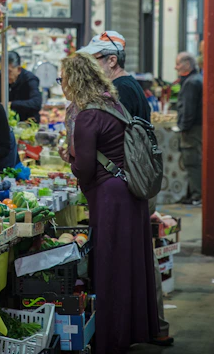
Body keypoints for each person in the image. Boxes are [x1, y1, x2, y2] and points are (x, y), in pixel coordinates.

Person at [58, 52, 159, 354]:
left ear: (74, 80)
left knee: (112, 267)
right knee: (130, 265)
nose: (61, 84)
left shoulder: (88, 115)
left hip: (111, 197)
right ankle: (131, 329)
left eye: (62, 78)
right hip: (129, 193)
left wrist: (70, 159)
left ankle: (112, 338)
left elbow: (85, 167)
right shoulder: (110, 104)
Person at [82, 31, 172, 347]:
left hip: (127, 183)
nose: (92, 66)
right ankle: (150, 325)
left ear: (111, 60)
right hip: (134, 181)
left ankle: (143, 327)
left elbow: (112, 141)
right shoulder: (130, 86)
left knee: (130, 260)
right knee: (139, 258)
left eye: (96, 59)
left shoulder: (120, 90)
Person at [78, 31, 150, 120]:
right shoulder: (125, 83)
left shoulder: (121, 88)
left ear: (112, 61)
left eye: (93, 59)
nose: (89, 65)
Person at [175, 51, 203, 206]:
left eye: (178, 63)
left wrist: (183, 127)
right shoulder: (195, 80)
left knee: (191, 161)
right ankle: (193, 193)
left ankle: (196, 195)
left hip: (192, 130)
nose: (175, 67)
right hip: (195, 128)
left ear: (187, 64)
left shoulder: (191, 83)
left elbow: (188, 109)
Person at [0, 51, 42, 122]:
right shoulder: (1, 75)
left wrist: (12, 104)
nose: (5, 75)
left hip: (27, 122)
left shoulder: (30, 79)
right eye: (3, 71)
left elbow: (36, 103)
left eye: (9, 71)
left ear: (19, 69)